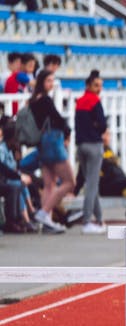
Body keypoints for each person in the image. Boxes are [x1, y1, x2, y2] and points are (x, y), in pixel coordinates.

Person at [27, 69, 70, 233]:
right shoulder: (45, 100)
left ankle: (48, 222)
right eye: (49, 81)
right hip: (52, 142)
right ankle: (44, 213)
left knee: (49, 184)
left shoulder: (32, 100)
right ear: (41, 82)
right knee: (69, 182)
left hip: (42, 144)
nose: (51, 84)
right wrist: (67, 132)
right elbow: (58, 118)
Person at [74, 70, 108, 234]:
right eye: (96, 85)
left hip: (81, 145)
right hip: (94, 145)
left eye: (100, 85)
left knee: (90, 183)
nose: (99, 88)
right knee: (92, 185)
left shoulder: (80, 101)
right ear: (88, 85)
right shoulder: (95, 101)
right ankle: (87, 221)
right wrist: (96, 126)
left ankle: (99, 219)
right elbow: (102, 125)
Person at [0, 117, 36, 233]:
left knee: (19, 185)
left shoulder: (11, 150)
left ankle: (24, 217)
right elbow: (3, 169)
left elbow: (14, 169)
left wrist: (17, 156)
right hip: (4, 180)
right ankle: (17, 220)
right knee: (15, 186)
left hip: (6, 180)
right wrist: (19, 177)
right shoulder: (2, 149)